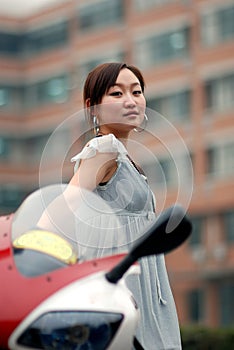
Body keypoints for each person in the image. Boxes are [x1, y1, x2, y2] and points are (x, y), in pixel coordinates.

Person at [69, 62, 182, 349]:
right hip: (123, 290)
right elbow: (64, 208)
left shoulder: (124, 158)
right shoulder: (104, 150)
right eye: (117, 94)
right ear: (92, 107)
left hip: (146, 290)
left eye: (137, 91)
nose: (131, 101)